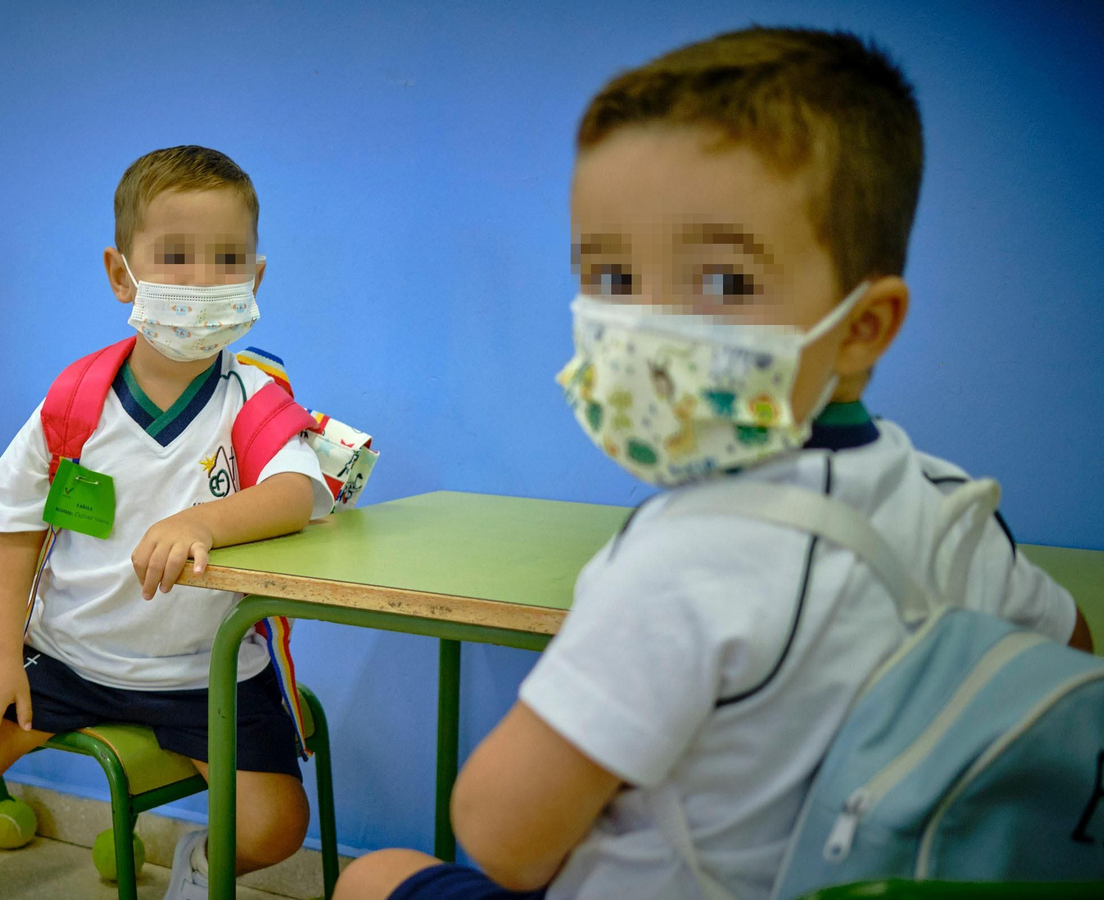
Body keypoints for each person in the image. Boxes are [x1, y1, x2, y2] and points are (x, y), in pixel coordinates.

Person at [334, 26, 1093, 900]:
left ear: (863, 328)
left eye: (722, 283)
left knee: (377, 875)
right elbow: (1070, 643)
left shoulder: (686, 559)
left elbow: (502, 838)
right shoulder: (955, 509)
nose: (648, 329)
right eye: (611, 279)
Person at [0, 145, 335, 900]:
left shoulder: (255, 398)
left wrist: (205, 519)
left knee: (275, 826)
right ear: (119, 274)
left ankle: (198, 866)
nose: (201, 280)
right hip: (66, 659)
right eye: (175, 257)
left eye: (226, 258)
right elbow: (11, 525)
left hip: (206, 674)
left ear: (255, 279)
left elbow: (298, 491)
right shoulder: (74, 400)